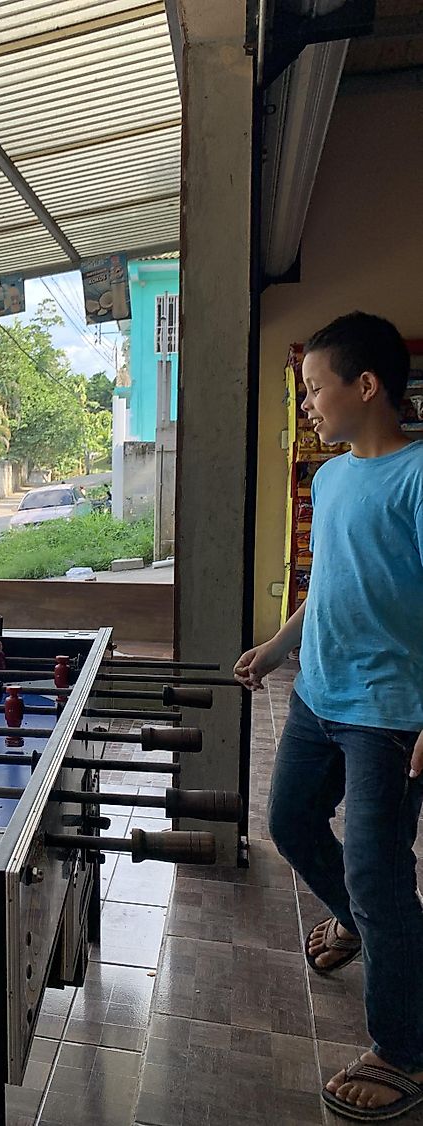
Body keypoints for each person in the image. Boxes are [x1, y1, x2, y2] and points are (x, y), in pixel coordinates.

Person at [234, 312, 423, 1122]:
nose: (307, 403)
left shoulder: (418, 476)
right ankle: (365, 930)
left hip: (389, 713)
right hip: (319, 691)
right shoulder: (334, 475)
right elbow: (326, 586)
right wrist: (276, 647)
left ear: (366, 385)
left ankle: (404, 1049)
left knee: (379, 877)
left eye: (314, 388)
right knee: (289, 824)